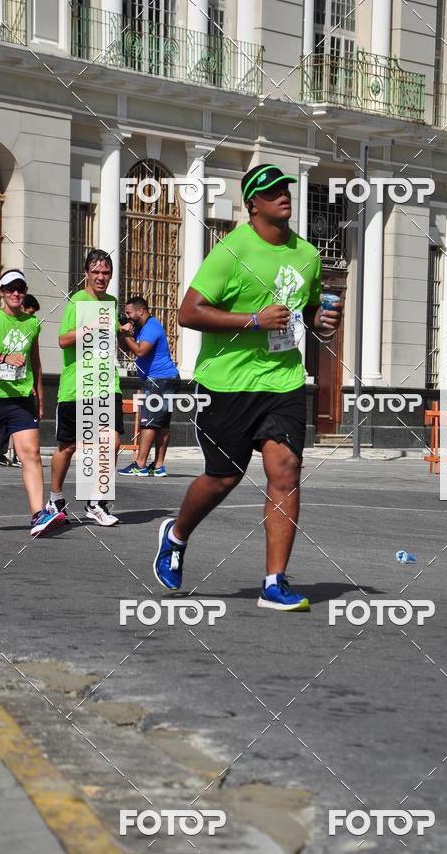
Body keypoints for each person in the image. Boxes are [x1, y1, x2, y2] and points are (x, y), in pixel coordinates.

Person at [152, 164, 342, 611]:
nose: (284, 196)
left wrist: (322, 321)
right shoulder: (231, 251)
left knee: (286, 470)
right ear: (252, 203)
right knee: (223, 477)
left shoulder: (308, 256)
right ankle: (176, 535)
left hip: (283, 380)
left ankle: (274, 582)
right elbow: (188, 312)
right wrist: (253, 321)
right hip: (227, 383)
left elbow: (308, 309)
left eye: (286, 189)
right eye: (271, 191)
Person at [0, 270, 65, 536]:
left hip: (21, 399)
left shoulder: (31, 323)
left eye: (20, 288)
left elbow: (36, 364)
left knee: (31, 455)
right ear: (1, 292)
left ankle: (38, 516)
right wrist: (2, 358)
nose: (16, 293)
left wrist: (39, 395)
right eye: (10, 288)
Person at [46, 250, 130, 527]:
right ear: (86, 274)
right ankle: (55, 498)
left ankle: (95, 502)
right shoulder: (77, 302)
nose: (101, 277)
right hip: (76, 386)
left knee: (112, 442)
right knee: (68, 447)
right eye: (95, 272)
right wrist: (92, 326)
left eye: (105, 272)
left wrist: (122, 330)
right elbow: (62, 340)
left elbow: (109, 335)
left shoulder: (111, 302)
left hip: (106, 384)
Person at [117, 296, 180, 477]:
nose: (127, 316)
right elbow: (126, 347)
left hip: (158, 380)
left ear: (141, 311)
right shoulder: (140, 327)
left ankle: (140, 464)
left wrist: (128, 335)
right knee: (161, 424)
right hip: (167, 378)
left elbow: (140, 351)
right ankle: (158, 466)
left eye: (129, 313)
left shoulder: (152, 327)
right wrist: (124, 332)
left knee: (149, 422)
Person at [0, 294, 40, 468]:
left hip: (21, 385)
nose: (31, 315)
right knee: (1, 425)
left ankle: (12, 455)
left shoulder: (30, 325)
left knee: (14, 423)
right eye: (29, 311)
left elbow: (34, 361)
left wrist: (33, 385)